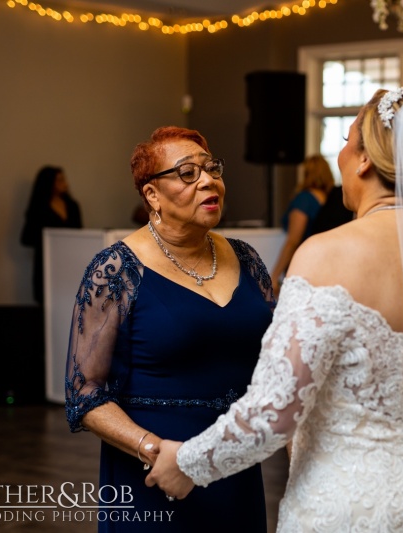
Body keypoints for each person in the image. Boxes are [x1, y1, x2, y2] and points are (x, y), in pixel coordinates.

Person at [146, 89, 403, 532]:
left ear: (364, 160)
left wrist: (186, 463)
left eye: (346, 140)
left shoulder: (328, 254)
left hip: (353, 506)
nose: (339, 154)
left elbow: (274, 413)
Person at [64, 126, 275, 532]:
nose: (209, 181)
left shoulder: (246, 259)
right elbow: (85, 393)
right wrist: (157, 451)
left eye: (212, 169)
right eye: (187, 173)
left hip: (233, 463)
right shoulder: (115, 271)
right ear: (152, 196)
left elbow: (275, 358)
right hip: (155, 473)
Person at [269, 154, 333, 295]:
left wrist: (274, 276)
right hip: (327, 266)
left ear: (306, 173)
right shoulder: (333, 201)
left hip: (304, 266)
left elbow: (293, 240)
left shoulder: (304, 199)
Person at [20, 165, 82, 303]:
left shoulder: (72, 206)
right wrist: (50, 238)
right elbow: (26, 238)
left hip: (69, 261)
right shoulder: (39, 207)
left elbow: (79, 233)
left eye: (64, 179)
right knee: (47, 301)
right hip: (46, 263)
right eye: (59, 180)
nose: (65, 183)